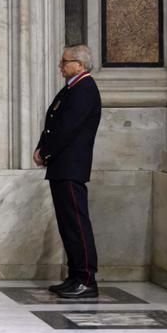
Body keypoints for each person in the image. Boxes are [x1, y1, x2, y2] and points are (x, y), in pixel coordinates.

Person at [34, 44, 102, 299]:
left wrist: (46, 152)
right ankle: (75, 275)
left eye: (65, 61)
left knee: (76, 223)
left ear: (80, 64)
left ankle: (86, 279)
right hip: (62, 166)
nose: (60, 65)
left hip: (71, 166)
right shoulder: (73, 88)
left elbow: (67, 129)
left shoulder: (85, 89)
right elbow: (55, 122)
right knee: (67, 224)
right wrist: (43, 148)